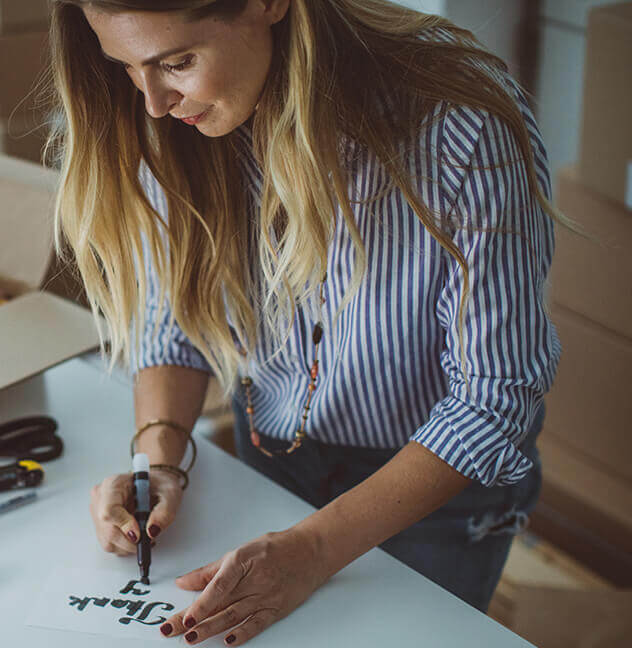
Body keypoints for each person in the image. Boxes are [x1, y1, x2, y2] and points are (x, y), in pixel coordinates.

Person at [45, 0, 562, 645]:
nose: (153, 102)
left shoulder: (464, 130)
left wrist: (314, 551)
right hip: (274, 461)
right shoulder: (178, 120)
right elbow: (175, 316)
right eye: (125, 67)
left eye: (177, 62)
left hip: (433, 497)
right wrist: (157, 462)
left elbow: (494, 399)